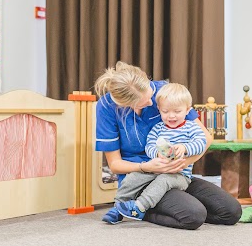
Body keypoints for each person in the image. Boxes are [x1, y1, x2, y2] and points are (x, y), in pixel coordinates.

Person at [95, 61, 242, 229]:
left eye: (151, 96)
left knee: (231, 211)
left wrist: (183, 162)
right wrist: (148, 166)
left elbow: (205, 138)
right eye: (144, 102)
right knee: (194, 216)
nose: (152, 104)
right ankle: (135, 207)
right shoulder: (107, 107)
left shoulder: (165, 92)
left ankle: (168, 205)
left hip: (176, 173)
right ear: (126, 106)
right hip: (141, 178)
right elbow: (115, 165)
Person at [114, 83, 207, 221]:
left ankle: (139, 207)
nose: (171, 116)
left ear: (187, 110)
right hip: (156, 170)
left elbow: (201, 143)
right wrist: (156, 154)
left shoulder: (191, 127)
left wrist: (185, 148)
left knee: (163, 181)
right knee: (134, 177)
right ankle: (117, 207)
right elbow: (149, 145)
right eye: (165, 111)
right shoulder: (158, 128)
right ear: (159, 109)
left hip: (179, 175)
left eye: (177, 111)